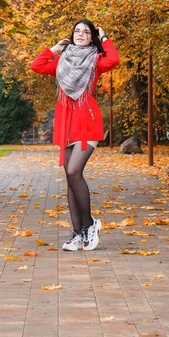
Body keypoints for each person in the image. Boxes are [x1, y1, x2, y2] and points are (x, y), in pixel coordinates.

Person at [31, 19, 119, 251]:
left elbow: (114, 59)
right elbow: (37, 66)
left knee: (74, 171)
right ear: (72, 35)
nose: (81, 34)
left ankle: (90, 225)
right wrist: (55, 49)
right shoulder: (61, 62)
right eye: (77, 31)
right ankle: (77, 232)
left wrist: (105, 37)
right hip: (66, 123)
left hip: (87, 121)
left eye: (86, 32)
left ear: (92, 38)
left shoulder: (96, 60)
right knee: (70, 179)